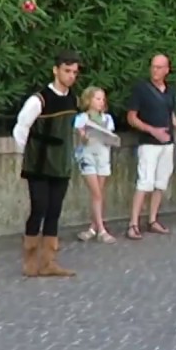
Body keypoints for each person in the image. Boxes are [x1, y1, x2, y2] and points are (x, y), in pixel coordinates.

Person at [13, 51, 82, 277]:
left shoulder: (73, 98)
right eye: (67, 71)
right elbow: (21, 128)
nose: (71, 76)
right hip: (40, 164)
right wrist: (29, 154)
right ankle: (30, 261)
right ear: (56, 70)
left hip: (61, 164)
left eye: (74, 72)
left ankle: (49, 262)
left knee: (54, 211)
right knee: (39, 208)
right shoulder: (39, 99)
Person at [126, 54, 176, 240]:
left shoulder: (170, 91)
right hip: (148, 144)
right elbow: (131, 117)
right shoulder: (141, 89)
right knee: (144, 182)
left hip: (167, 143)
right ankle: (133, 223)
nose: (155, 70)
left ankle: (152, 219)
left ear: (166, 70)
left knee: (161, 182)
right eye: (153, 66)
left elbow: (170, 115)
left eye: (159, 67)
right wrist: (152, 130)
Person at [74, 86, 117, 243]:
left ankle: (92, 228)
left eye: (102, 99)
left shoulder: (108, 119)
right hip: (88, 158)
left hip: (103, 157)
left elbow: (110, 138)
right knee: (97, 193)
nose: (100, 102)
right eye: (97, 99)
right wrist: (85, 134)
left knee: (98, 195)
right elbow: (82, 138)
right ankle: (102, 230)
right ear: (89, 100)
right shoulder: (82, 118)